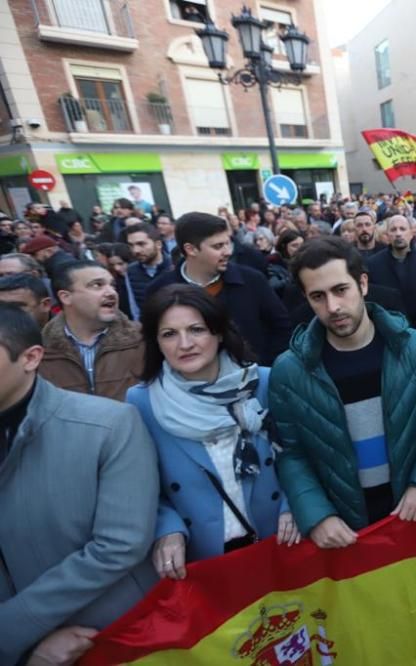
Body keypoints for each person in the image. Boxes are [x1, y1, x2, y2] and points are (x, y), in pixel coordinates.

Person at [0, 303, 158, 666]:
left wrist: (13, 629)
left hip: (106, 636)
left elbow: (119, 543)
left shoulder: (108, 424)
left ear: (30, 357)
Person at [270, 237, 416, 547]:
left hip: (413, 512)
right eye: (318, 296)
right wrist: (317, 515)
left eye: (341, 290)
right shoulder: (289, 371)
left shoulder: (415, 349)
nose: (333, 307)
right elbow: (290, 452)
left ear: (362, 284)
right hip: (341, 526)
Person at [126, 285, 299, 579]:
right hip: (204, 560)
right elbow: (141, 487)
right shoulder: (142, 402)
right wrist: (168, 529)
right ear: (156, 342)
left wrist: (293, 504)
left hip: (279, 542)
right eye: (169, 334)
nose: (184, 344)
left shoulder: (263, 383)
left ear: (218, 332)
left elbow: (299, 454)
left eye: (196, 329)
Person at [148, 212, 291, 365]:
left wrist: (266, 368)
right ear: (191, 249)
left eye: (228, 243)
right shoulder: (160, 290)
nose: (228, 251)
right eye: (218, 246)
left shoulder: (252, 280)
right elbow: (154, 344)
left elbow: (281, 327)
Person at [38, 261, 143, 401]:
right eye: (97, 285)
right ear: (66, 297)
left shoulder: (141, 338)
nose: (111, 292)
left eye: (112, 285)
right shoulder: (40, 349)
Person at [366, 215, 416, 326]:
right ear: (387, 235)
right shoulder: (373, 264)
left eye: (402, 229)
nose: (398, 233)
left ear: (411, 233)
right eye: (393, 229)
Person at [124, 223, 172, 318]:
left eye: (141, 244)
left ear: (158, 244)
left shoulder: (175, 266)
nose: (135, 250)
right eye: (131, 245)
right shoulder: (130, 271)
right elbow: (135, 309)